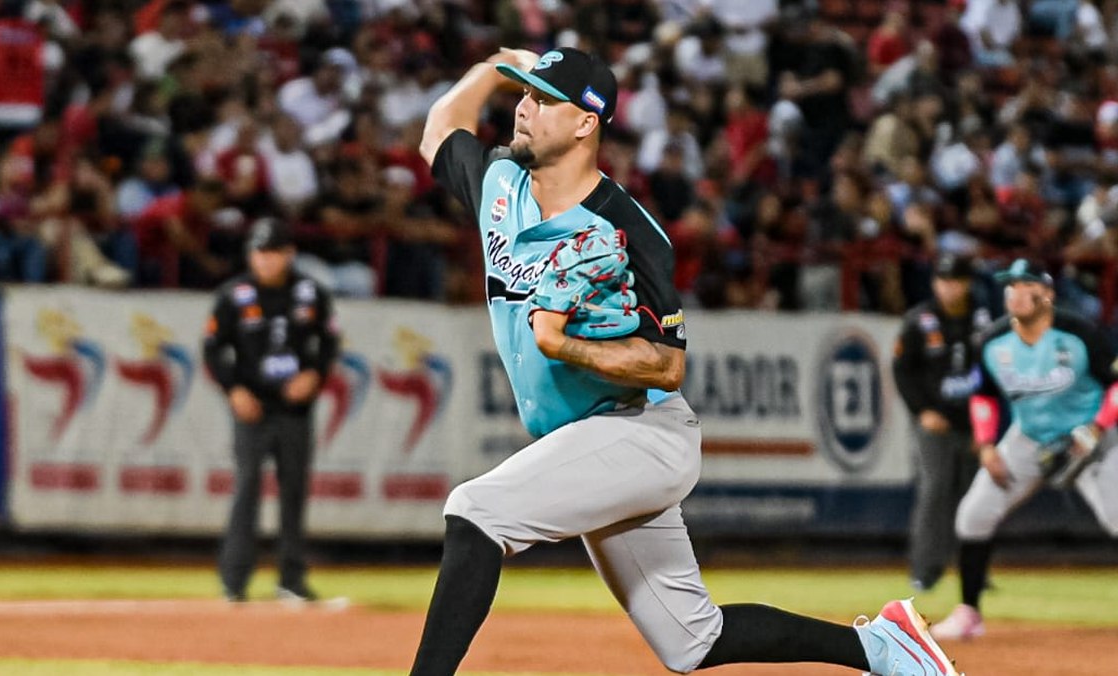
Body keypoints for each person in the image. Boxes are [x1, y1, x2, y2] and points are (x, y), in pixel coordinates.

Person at [410, 46, 960, 676]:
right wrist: (494, 64)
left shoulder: (627, 230)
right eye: (523, 95)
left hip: (642, 432)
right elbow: (439, 129)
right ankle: (883, 649)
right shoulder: (499, 184)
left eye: (542, 99)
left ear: (587, 122)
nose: (524, 109)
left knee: (476, 511)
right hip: (582, 443)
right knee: (691, 641)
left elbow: (667, 367)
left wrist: (567, 346)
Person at [931, 259, 1118, 641]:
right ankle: (969, 614)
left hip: (1090, 439)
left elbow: (1115, 385)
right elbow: (983, 396)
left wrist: (1096, 428)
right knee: (973, 514)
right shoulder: (993, 341)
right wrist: (986, 446)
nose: (1016, 293)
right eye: (1010, 286)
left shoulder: (1078, 333)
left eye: (1026, 285)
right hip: (1029, 439)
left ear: (1047, 294)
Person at [202, 217, 340, 603]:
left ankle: (291, 580)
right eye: (259, 253)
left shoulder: (311, 293)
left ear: (289, 253)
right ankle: (234, 582)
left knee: (294, 492)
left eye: (273, 253)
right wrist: (233, 390)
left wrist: (315, 374)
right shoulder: (235, 294)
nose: (265, 261)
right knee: (246, 489)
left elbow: (328, 342)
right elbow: (213, 347)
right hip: (254, 407)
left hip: (295, 408)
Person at [893, 253, 992, 591]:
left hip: (974, 421)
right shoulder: (919, 321)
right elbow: (902, 371)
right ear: (935, 283)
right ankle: (925, 568)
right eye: (943, 280)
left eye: (956, 280)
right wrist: (921, 410)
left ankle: (974, 571)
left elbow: (994, 374)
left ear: (966, 283)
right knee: (935, 491)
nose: (949, 288)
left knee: (975, 495)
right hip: (935, 421)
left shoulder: (984, 318)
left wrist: (987, 428)